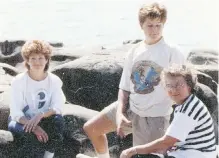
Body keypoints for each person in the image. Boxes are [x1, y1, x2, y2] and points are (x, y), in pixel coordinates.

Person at [77, 2, 185, 158]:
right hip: (131, 108)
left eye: (158, 25)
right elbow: (124, 87)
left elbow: (183, 87)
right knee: (92, 128)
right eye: (150, 26)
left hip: (155, 117)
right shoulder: (134, 50)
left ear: (163, 24)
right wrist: (120, 114)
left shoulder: (172, 51)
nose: (154, 30)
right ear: (141, 25)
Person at [120, 64, 217, 158]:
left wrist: (133, 150)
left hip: (196, 154)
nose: (173, 90)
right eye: (168, 85)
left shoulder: (189, 110)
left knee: (135, 155)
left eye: (179, 85)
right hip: (188, 151)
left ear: (189, 86)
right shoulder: (187, 103)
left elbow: (166, 142)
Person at [8, 40, 66, 158]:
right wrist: (34, 127)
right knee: (31, 137)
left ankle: (48, 156)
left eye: (40, 58)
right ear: (27, 60)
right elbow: (15, 112)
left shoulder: (54, 81)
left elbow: (58, 106)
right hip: (21, 121)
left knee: (58, 121)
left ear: (47, 59)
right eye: (33, 58)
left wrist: (41, 114)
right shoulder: (19, 81)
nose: (37, 62)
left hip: (42, 118)